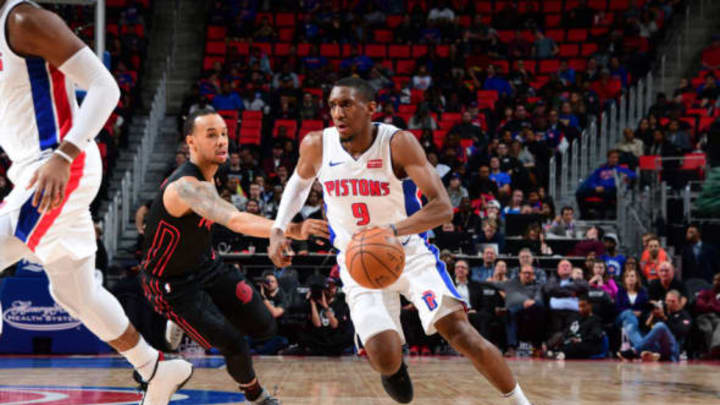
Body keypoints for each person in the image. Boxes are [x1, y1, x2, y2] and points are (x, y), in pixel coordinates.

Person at [268, 77, 533, 405]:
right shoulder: (316, 145)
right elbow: (297, 184)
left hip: (410, 253)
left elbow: (442, 207)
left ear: (371, 109)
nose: (338, 112)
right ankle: (394, 369)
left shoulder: (398, 143)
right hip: (357, 261)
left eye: (346, 104)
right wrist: (279, 231)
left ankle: (521, 402)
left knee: (461, 332)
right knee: (384, 357)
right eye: (333, 105)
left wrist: (393, 231)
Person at [0, 2, 192, 403]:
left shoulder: (23, 19)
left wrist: (64, 154)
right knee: (75, 294)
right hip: (29, 169)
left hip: (58, 165)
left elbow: (106, 85)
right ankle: (156, 367)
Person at [140, 109, 328, 405]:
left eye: (224, 133)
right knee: (234, 343)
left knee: (265, 325)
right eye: (211, 135)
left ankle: (197, 321)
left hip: (206, 266)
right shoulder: (186, 187)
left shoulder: (209, 177)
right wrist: (290, 229)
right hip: (171, 284)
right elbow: (235, 219)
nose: (222, 141)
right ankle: (253, 393)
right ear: (191, 142)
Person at [617, 290, 691, 362]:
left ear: (679, 302)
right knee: (631, 327)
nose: (670, 303)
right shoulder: (660, 311)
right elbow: (645, 331)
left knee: (660, 326)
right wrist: (651, 316)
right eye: (668, 301)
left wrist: (664, 318)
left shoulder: (684, 315)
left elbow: (681, 332)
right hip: (655, 346)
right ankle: (647, 353)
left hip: (673, 348)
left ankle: (635, 351)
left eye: (673, 301)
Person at [575, 149, 636, 218]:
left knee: (610, 193)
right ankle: (585, 215)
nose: (615, 159)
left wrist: (627, 176)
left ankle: (604, 216)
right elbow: (591, 180)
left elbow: (633, 175)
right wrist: (595, 187)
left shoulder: (621, 169)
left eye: (616, 158)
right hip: (598, 189)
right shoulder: (601, 169)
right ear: (608, 158)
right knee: (580, 193)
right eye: (613, 157)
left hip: (612, 190)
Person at [503, 264, 545, 357]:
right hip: (517, 310)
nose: (527, 275)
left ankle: (536, 347)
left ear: (533, 275)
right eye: (525, 273)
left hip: (533, 310)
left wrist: (531, 302)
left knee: (539, 307)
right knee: (510, 312)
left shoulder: (537, 286)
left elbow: (538, 299)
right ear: (520, 274)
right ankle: (512, 348)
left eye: (529, 273)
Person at [545, 295, 605, 360]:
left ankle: (560, 354)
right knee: (559, 337)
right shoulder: (577, 319)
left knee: (576, 346)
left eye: (583, 306)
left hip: (585, 344)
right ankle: (555, 351)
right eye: (579, 306)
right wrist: (564, 338)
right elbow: (568, 330)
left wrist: (581, 339)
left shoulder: (595, 320)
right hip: (571, 342)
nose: (580, 309)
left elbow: (596, 335)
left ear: (590, 306)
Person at [695, 273, 720, 357]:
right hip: (704, 316)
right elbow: (700, 304)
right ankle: (713, 351)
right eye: (715, 280)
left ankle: (714, 348)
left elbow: (710, 306)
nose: (717, 282)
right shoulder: (706, 291)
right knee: (708, 329)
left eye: (719, 280)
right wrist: (714, 307)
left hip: (717, 318)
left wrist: (711, 305)